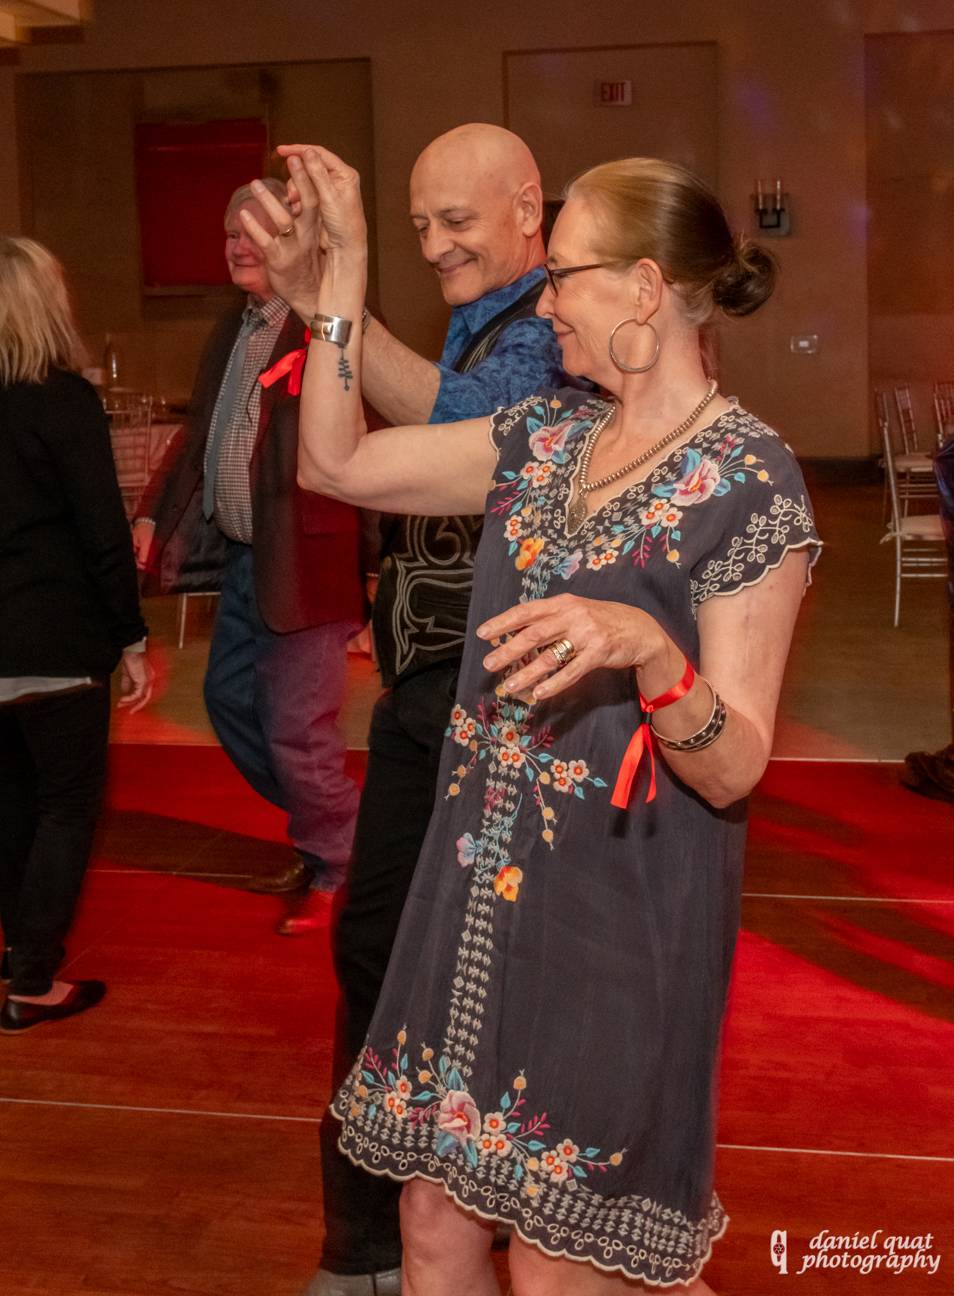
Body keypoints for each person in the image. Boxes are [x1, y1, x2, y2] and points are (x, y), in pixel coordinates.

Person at [244, 148, 822, 1295]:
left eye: (563, 274)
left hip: (619, 916)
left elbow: (735, 767)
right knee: (431, 1225)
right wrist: (340, 283)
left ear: (645, 288)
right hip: (475, 903)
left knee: (563, 1266)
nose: (543, 300)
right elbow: (337, 462)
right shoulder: (544, 438)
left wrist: (653, 650)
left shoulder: (748, 482)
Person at [257, 124, 582, 1292]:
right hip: (433, 690)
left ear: (529, 208)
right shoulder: (489, 313)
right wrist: (323, 301)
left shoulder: (554, 326)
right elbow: (431, 417)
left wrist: (337, 294)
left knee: (432, 964)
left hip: (493, 699)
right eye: (418, 226)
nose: (435, 244)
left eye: (456, 220)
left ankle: (397, 1240)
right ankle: (392, 1236)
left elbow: (441, 432)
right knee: (388, 952)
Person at [134, 179, 372, 930]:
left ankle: (343, 865)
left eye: (255, 232)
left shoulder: (330, 323)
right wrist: (150, 513)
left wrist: (375, 574)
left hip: (309, 565)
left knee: (297, 731)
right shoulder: (232, 329)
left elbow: (377, 441)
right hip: (245, 562)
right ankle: (343, 829)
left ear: (296, 239)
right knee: (230, 701)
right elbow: (200, 434)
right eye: (229, 233)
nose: (237, 246)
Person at [0, 237, 153, 1033]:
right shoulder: (63, 401)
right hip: (55, 637)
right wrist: (132, 637)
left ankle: (18, 950)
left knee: (10, 802)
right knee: (65, 807)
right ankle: (32, 980)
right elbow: (103, 532)